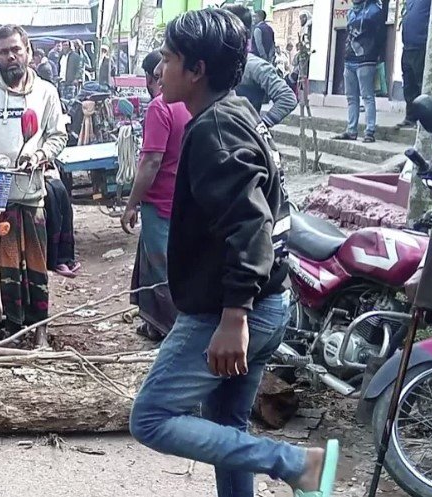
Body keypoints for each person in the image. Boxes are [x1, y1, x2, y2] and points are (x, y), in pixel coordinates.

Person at [128, 9, 339, 497]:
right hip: (264, 304)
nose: (160, 68)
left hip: (230, 312)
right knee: (226, 424)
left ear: (196, 69)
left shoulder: (215, 129)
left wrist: (233, 317)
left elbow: (250, 225)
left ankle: (293, 463)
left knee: (152, 417)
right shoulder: (236, 112)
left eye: (170, 57)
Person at [0, 24, 68, 346]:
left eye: (16, 50)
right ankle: (10, 327)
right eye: (4, 51)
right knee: (5, 263)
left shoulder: (46, 92)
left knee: (36, 262)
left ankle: (40, 331)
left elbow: (58, 136)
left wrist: (41, 154)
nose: (10, 57)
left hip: (31, 189)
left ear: (28, 53)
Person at [121, 50, 191, 342]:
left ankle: (173, 332)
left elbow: (150, 161)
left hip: (160, 202)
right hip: (185, 201)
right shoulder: (191, 104)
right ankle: (154, 324)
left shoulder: (160, 108)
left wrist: (131, 203)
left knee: (161, 270)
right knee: (167, 264)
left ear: (152, 77)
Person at [227, 5, 298, 127]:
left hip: (243, 137)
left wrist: (261, 127)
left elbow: (287, 98)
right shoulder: (211, 62)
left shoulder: (254, 66)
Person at [333, 0, 384, 143]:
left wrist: (375, 55)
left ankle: (369, 131)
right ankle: (351, 130)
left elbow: (380, 35)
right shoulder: (350, 12)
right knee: (351, 98)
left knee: (367, 96)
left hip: (366, 59)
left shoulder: (375, 10)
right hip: (349, 59)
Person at [397, 0, 431, 129]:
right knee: (408, 85)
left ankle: (424, 120)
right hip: (407, 47)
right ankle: (410, 118)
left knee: (421, 83)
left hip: (421, 46)